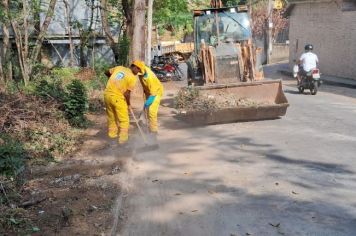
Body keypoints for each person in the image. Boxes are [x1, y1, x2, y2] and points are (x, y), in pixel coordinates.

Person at [104, 61, 145, 145]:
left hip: (107, 95)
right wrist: (128, 104)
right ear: (135, 67)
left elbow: (106, 72)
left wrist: (112, 80)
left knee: (112, 118)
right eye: (139, 70)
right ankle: (123, 141)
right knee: (124, 120)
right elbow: (126, 94)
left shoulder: (119, 68)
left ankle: (112, 138)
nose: (138, 73)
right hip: (118, 98)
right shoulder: (132, 78)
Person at [138, 64, 164, 135]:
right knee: (147, 110)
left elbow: (153, 94)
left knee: (152, 111)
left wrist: (147, 103)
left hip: (156, 92)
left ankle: (153, 131)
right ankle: (149, 125)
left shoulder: (150, 78)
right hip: (149, 91)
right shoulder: (141, 70)